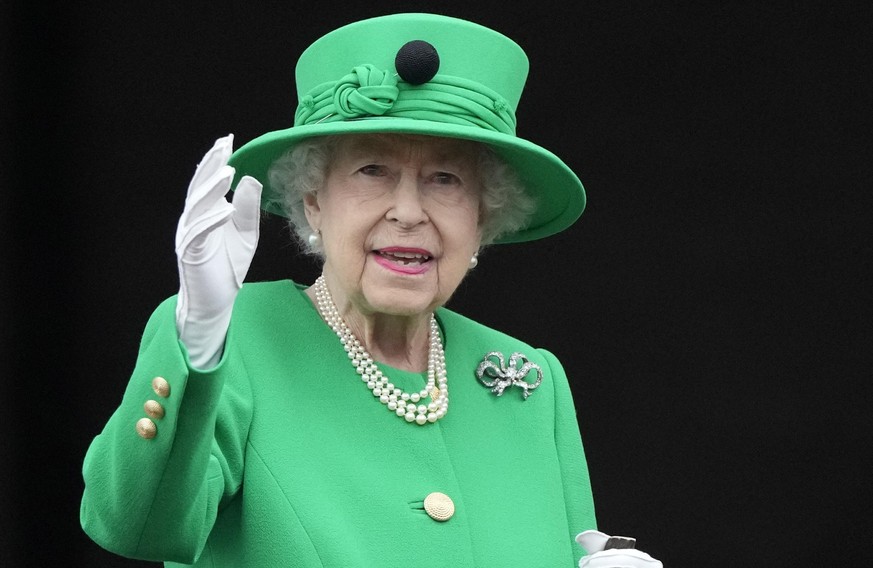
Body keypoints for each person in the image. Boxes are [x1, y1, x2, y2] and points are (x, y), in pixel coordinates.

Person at [80, 13, 663, 568]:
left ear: (483, 219)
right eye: (372, 171)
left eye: (446, 179)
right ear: (313, 201)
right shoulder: (234, 342)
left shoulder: (530, 381)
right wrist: (200, 346)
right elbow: (137, 526)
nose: (408, 211)